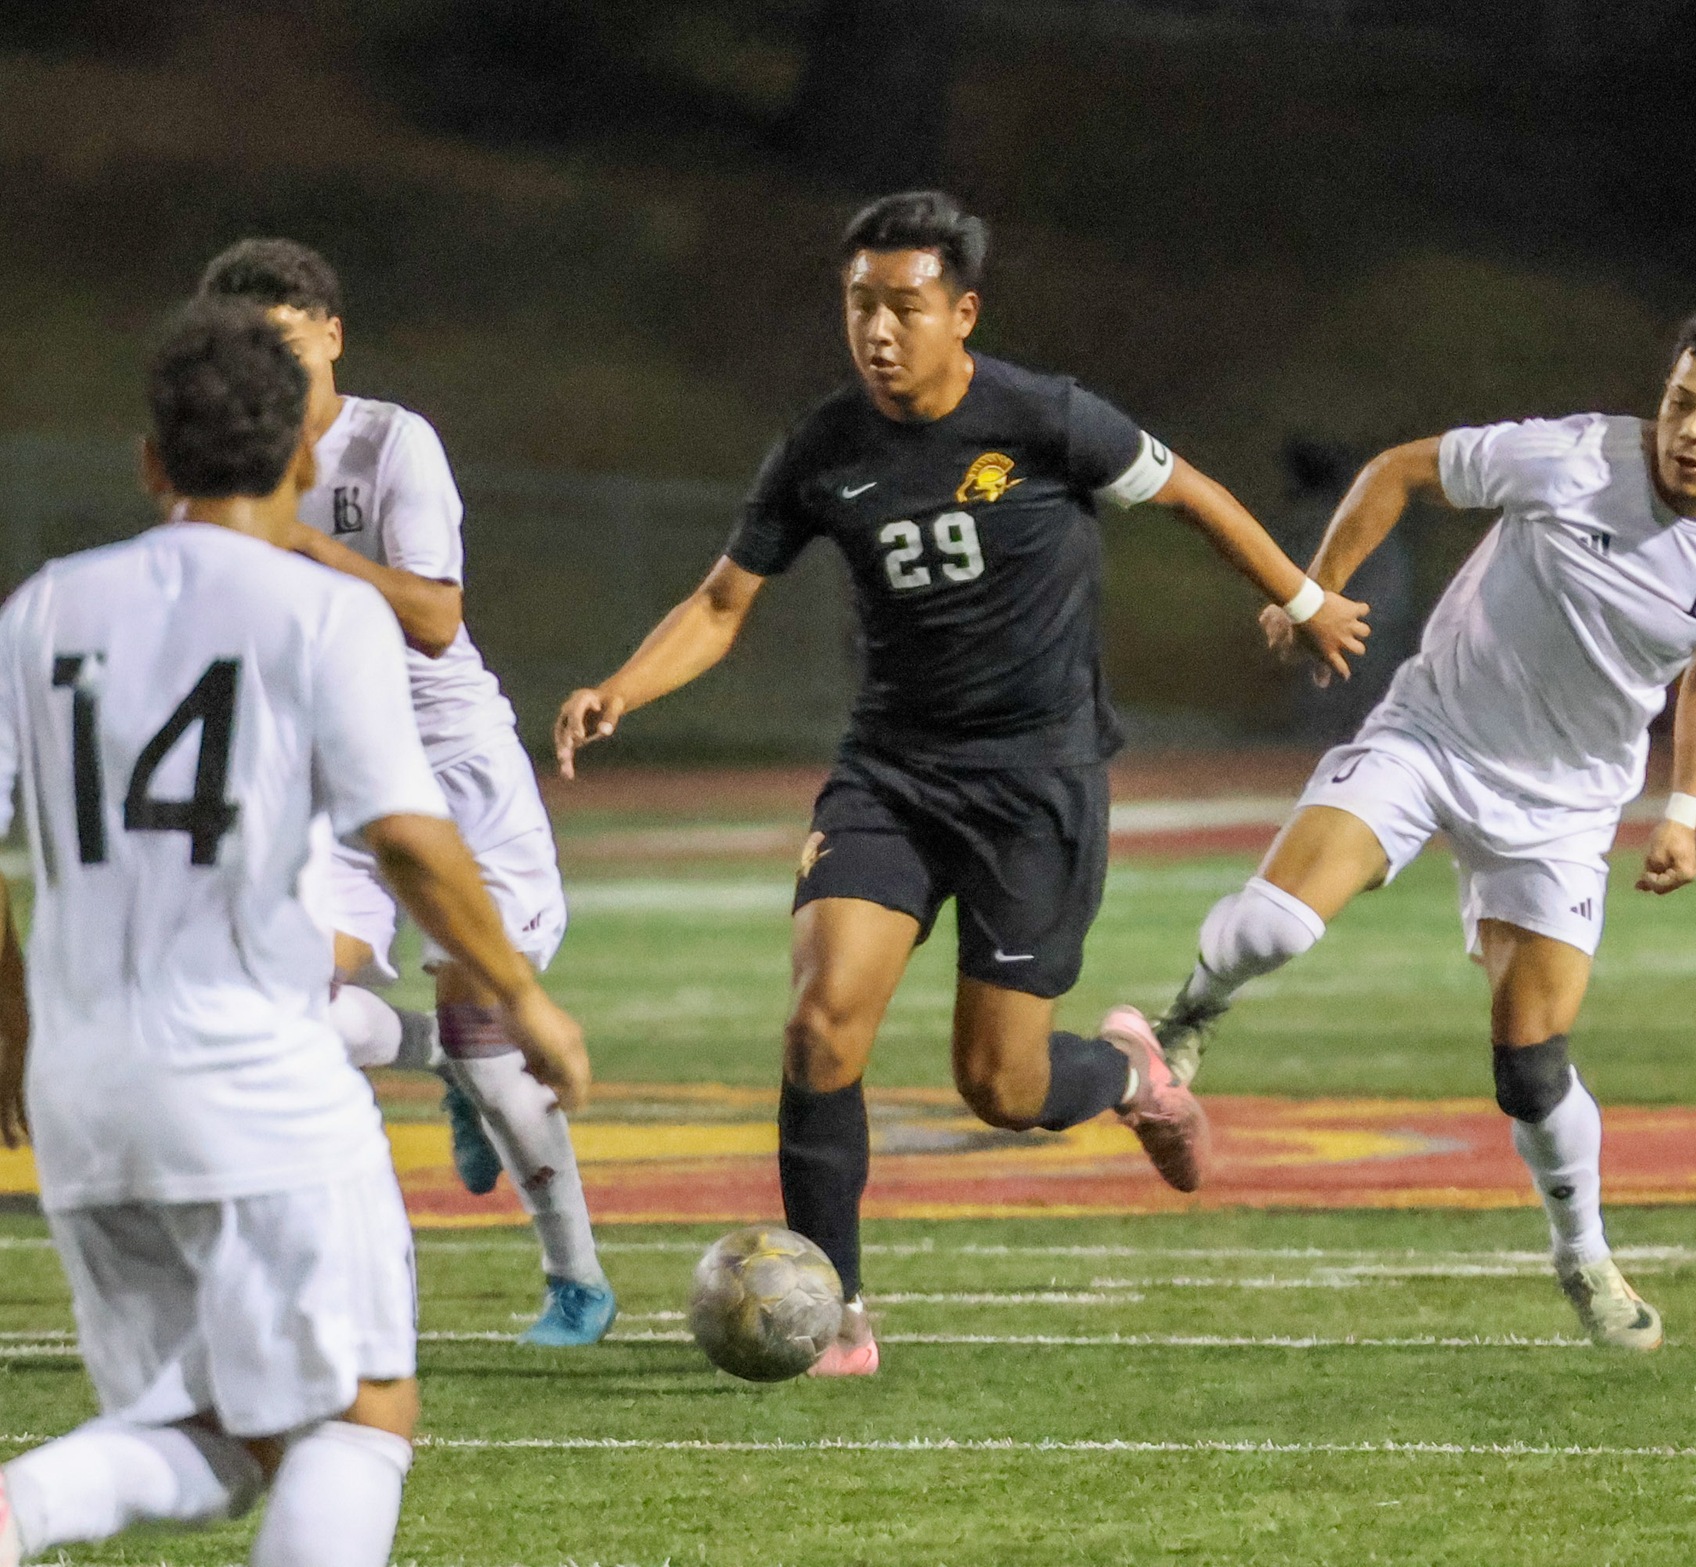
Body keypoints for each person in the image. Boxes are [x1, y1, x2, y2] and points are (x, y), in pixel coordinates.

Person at [554, 190, 1369, 1375]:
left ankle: (1133, 1072)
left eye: (904, 306)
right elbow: (725, 600)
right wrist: (623, 686)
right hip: (889, 774)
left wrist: (1300, 601)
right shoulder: (823, 449)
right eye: (858, 306)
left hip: (1036, 785)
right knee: (820, 1023)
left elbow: (1188, 493)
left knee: (1001, 1083)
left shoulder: (1046, 420)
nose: (878, 330)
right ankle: (835, 1313)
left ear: (961, 311)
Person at [0, 301, 588, 1567]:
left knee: (210, 1442)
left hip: (86, 1089)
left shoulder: (41, 612)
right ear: (304, 464)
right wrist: (523, 1000)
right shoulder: (320, 614)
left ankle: (16, 1512)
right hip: (253, 1070)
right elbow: (411, 838)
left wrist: (14, 1026)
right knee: (360, 1419)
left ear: (152, 462)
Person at [1150, 302, 1696, 1350]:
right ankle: (1190, 1010)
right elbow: (1400, 469)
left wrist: (1681, 807)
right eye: (1679, 401)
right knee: (1273, 928)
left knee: (1531, 1069)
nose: (1687, 430)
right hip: (1430, 735)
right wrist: (1316, 592)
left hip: (1564, 807)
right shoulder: (1570, 457)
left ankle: (1581, 1254)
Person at [197, 239, 615, 1339]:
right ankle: (437, 1059)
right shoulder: (226, 468)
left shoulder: (392, 444)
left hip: (447, 764)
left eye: (286, 342)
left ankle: (576, 1278)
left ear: (331, 336)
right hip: (324, 773)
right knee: (278, 1011)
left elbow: (434, 619)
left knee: (488, 1022)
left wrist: (293, 543)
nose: (270, 370)